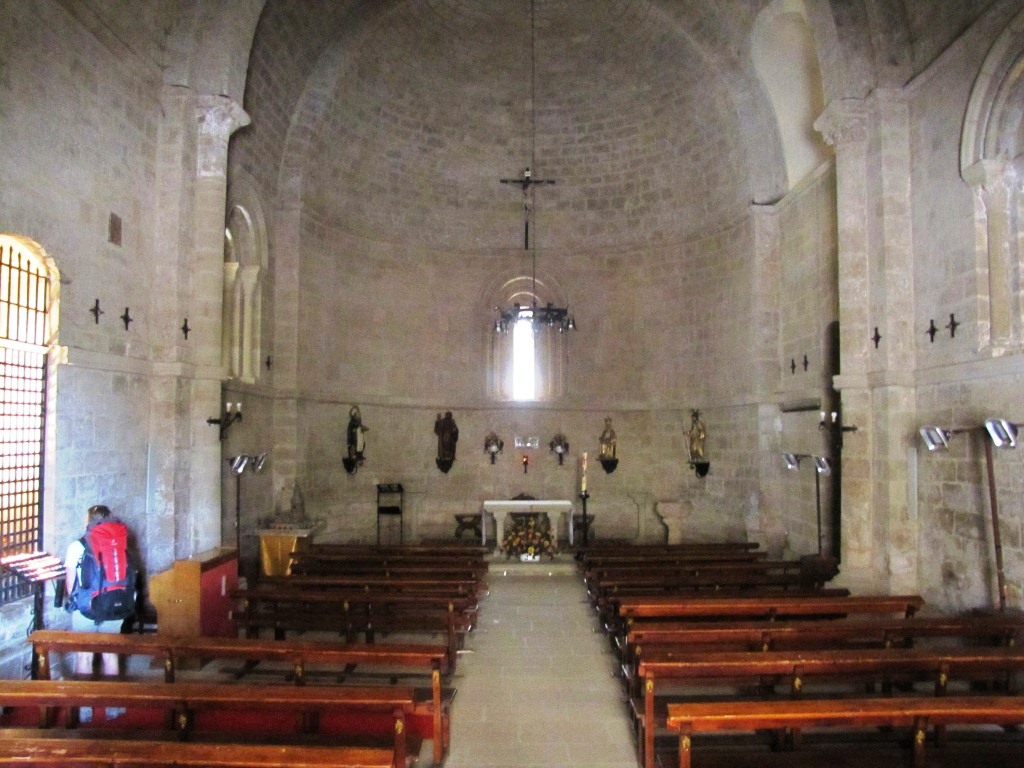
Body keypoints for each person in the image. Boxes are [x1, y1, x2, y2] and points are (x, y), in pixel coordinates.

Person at [64, 504, 131, 678]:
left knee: (84, 656)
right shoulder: (119, 542)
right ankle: (113, 705)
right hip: (115, 603)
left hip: (86, 606)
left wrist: (73, 603)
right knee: (110, 655)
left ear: (87, 521)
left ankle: (85, 704)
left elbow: (71, 585)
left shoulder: (76, 547)